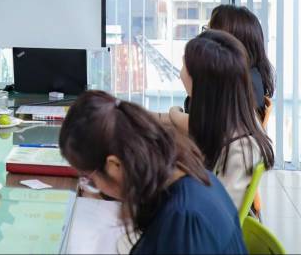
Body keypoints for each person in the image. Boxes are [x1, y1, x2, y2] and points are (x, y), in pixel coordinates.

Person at [60, 90, 246, 255]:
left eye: (91, 180)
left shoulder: (183, 221)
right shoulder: (185, 174)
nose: (96, 187)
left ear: (115, 165)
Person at [161, 30, 274, 210]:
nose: (180, 74)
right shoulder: (237, 115)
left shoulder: (238, 151)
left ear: (202, 81)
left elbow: (211, 214)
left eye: (184, 65)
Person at [207, 4, 274, 120]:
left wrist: (175, 114)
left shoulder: (246, 84)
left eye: (209, 33)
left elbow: (210, 125)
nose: (202, 39)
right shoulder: (238, 77)